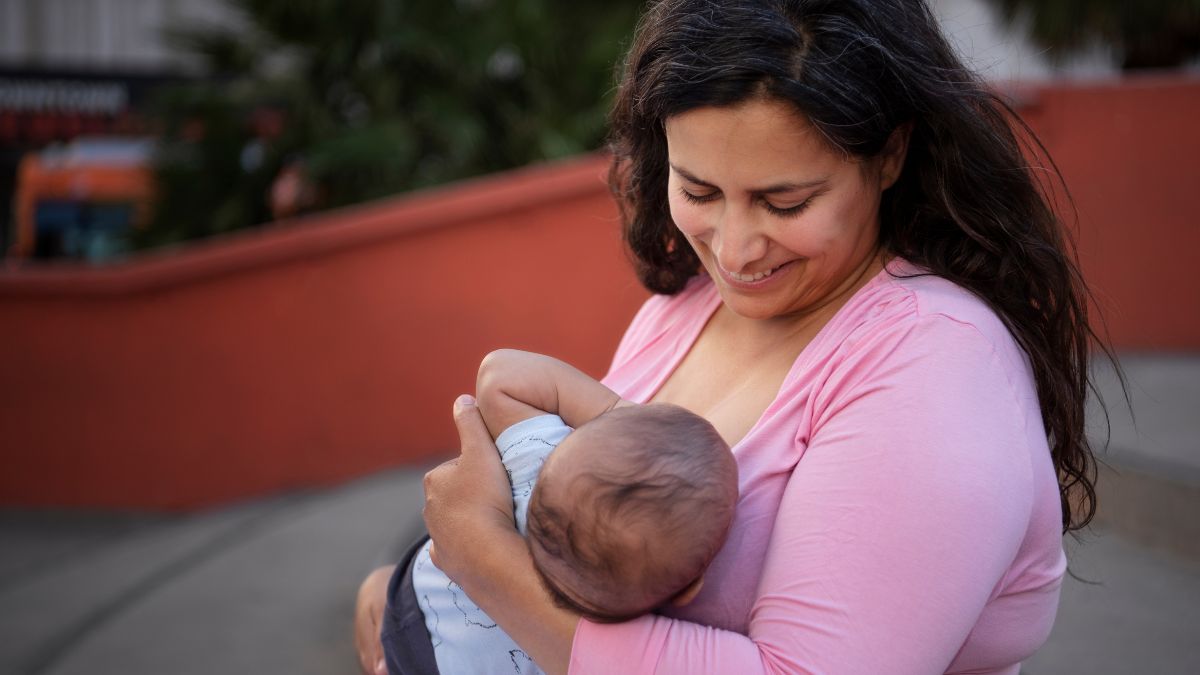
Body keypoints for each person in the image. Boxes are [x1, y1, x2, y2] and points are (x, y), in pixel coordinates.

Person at [356, 1, 1111, 672]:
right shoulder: (685, 308)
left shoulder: (936, 366)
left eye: (785, 201)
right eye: (700, 191)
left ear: (890, 154)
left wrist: (490, 569)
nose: (737, 249)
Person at [382, 349, 737, 674]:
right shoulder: (627, 631)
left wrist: (615, 410)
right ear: (689, 590)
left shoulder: (540, 459)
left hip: (420, 596)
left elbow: (500, 375)